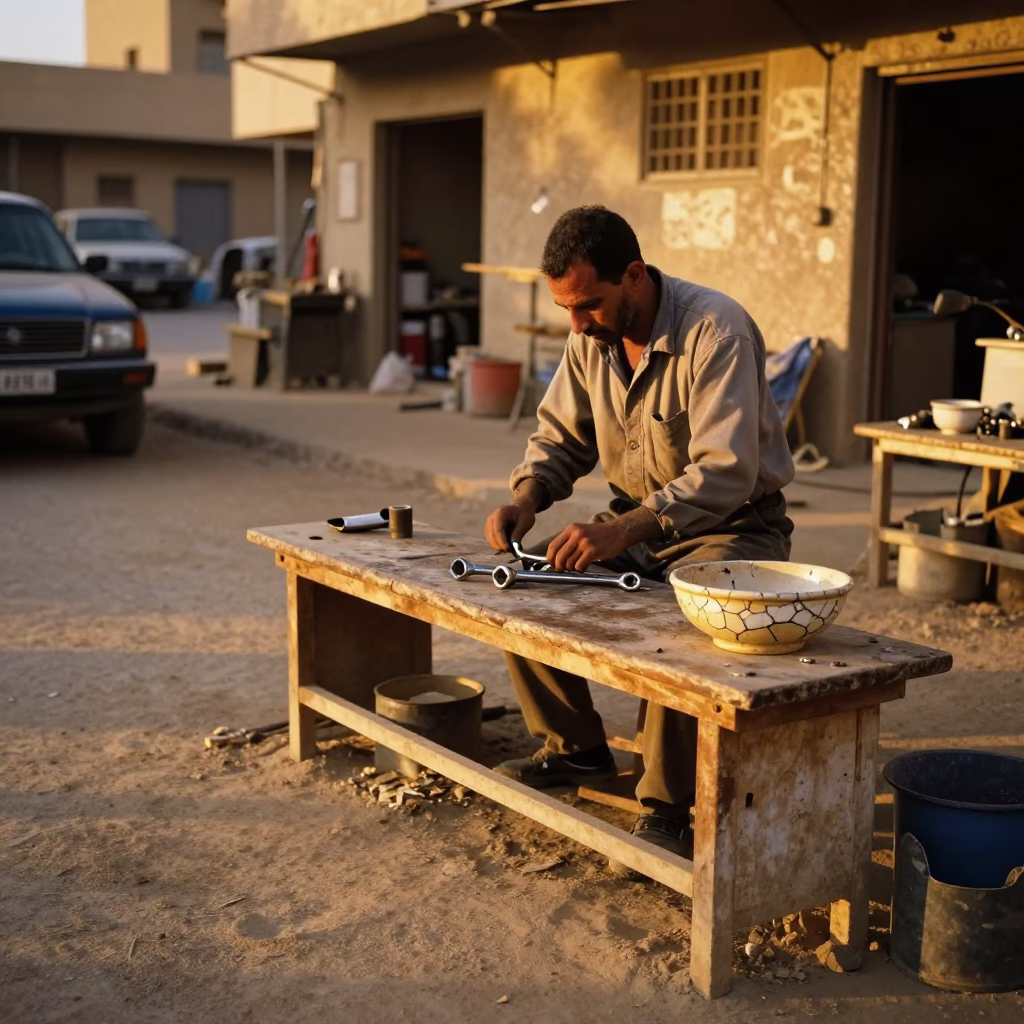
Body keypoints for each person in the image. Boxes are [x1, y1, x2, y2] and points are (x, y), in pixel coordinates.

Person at [485, 206, 796, 869]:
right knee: (523, 587)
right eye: (566, 308)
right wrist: (526, 498)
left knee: (690, 617)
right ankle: (575, 749)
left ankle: (668, 807)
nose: (576, 323)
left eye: (589, 305)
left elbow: (726, 474)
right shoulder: (589, 336)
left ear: (632, 276)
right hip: (635, 525)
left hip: (733, 529)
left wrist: (618, 530)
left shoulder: (718, 331)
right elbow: (561, 439)